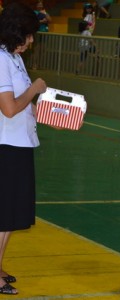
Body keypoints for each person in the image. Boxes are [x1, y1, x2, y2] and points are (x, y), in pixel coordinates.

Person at [0, 2, 47, 295]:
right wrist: (35, 89)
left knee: (10, 215)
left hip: (20, 142)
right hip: (6, 145)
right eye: (28, 35)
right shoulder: (1, 60)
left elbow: (24, 105)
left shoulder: (12, 58)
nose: (31, 41)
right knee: (3, 214)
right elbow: (9, 108)